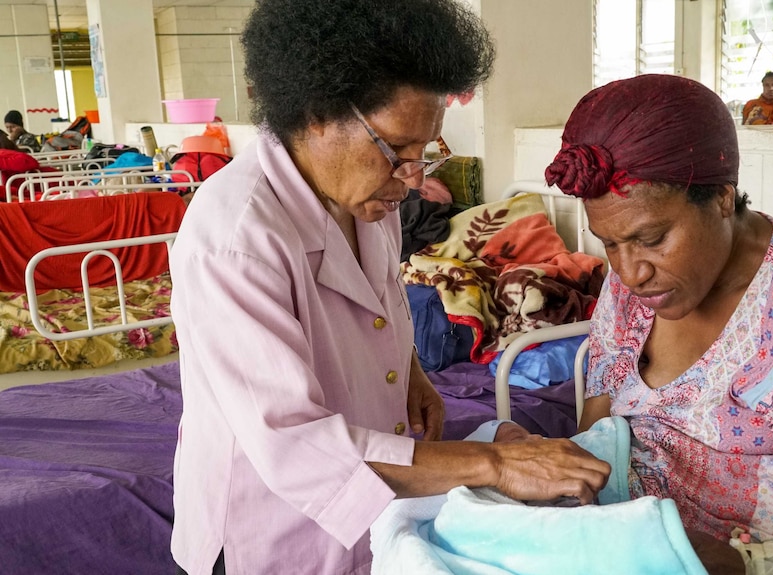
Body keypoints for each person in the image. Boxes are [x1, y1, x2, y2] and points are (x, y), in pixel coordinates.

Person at [168, 1, 611, 573]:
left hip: (373, 513)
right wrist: (493, 463)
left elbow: (381, 301)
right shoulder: (235, 237)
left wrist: (410, 370)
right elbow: (295, 446)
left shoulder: (371, 200)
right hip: (272, 532)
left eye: (424, 152)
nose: (414, 177)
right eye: (397, 151)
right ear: (316, 114)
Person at [489, 74, 773, 574]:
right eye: (609, 243)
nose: (628, 272)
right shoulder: (638, 281)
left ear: (723, 198)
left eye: (652, 238)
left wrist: (757, 567)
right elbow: (599, 424)